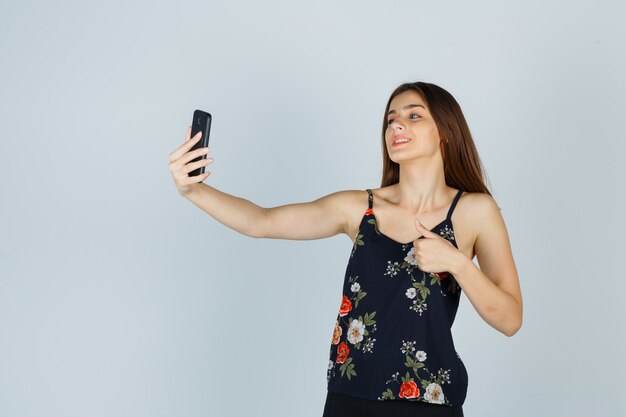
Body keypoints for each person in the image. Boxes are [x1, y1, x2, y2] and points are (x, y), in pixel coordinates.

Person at [168, 81, 523, 416]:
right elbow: (262, 222)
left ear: (445, 131)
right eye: (391, 120)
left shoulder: (474, 212)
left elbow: (510, 320)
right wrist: (194, 191)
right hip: (349, 398)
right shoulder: (359, 209)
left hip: (430, 402)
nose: (397, 125)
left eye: (414, 115)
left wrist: (458, 263)